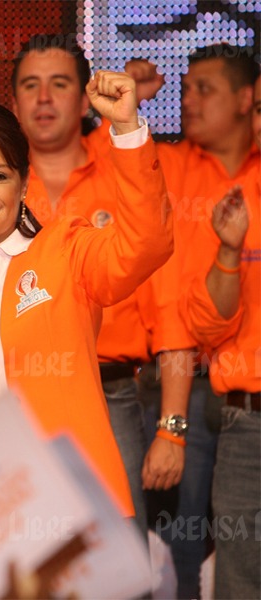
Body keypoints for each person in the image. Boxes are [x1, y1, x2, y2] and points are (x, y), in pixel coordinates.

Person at [0, 69, 173, 519]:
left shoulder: (63, 253)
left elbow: (146, 244)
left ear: (23, 183)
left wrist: (127, 128)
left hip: (62, 526)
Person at [126, 45, 258, 597]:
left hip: (233, 388)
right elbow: (117, 165)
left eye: (205, 89)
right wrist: (127, 108)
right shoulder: (173, 165)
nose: (188, 100)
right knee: (185, 539)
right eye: (184, 89)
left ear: (248, 98)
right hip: (182, 381)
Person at [178, 74, 260, 600]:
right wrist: (229, 253)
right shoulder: (238, 195)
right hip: (245, 424)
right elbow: (208, 326)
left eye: (205, 88)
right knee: (241, 582)